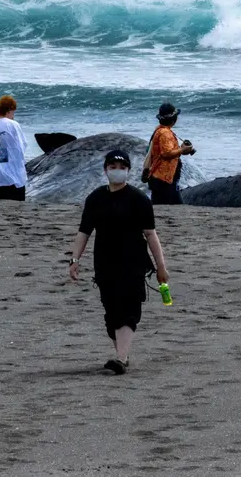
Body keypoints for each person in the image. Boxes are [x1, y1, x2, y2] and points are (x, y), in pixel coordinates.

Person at [68, 150, 169, 375]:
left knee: (129, 309)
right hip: (104, 262)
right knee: (111, 313)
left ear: (128, 171)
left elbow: (151, 234)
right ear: (105, 170)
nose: (117, 171)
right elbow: (84, 232)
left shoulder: (139, 199)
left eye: (121, 167)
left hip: (133, 262)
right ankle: (122, 355)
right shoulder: (95, 198)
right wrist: (74, 260)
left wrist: (161, 266)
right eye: (112, 167)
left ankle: (121, 359)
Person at [144, 103, 194, 205]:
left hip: (166, 178)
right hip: (163, 179)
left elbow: (168, 152)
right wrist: (182, 150)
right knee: (163, 206)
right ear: (174, 120)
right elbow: (166, 154)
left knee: (175, 205)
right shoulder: (165, 133)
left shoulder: (160, 130)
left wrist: (182, 150)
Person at [0, 95, 28, 201]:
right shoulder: (13, 124)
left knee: (0, 199)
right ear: (9, 110)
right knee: (17, 202)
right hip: (15, 172)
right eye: (13, 111)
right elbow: (23, 145)